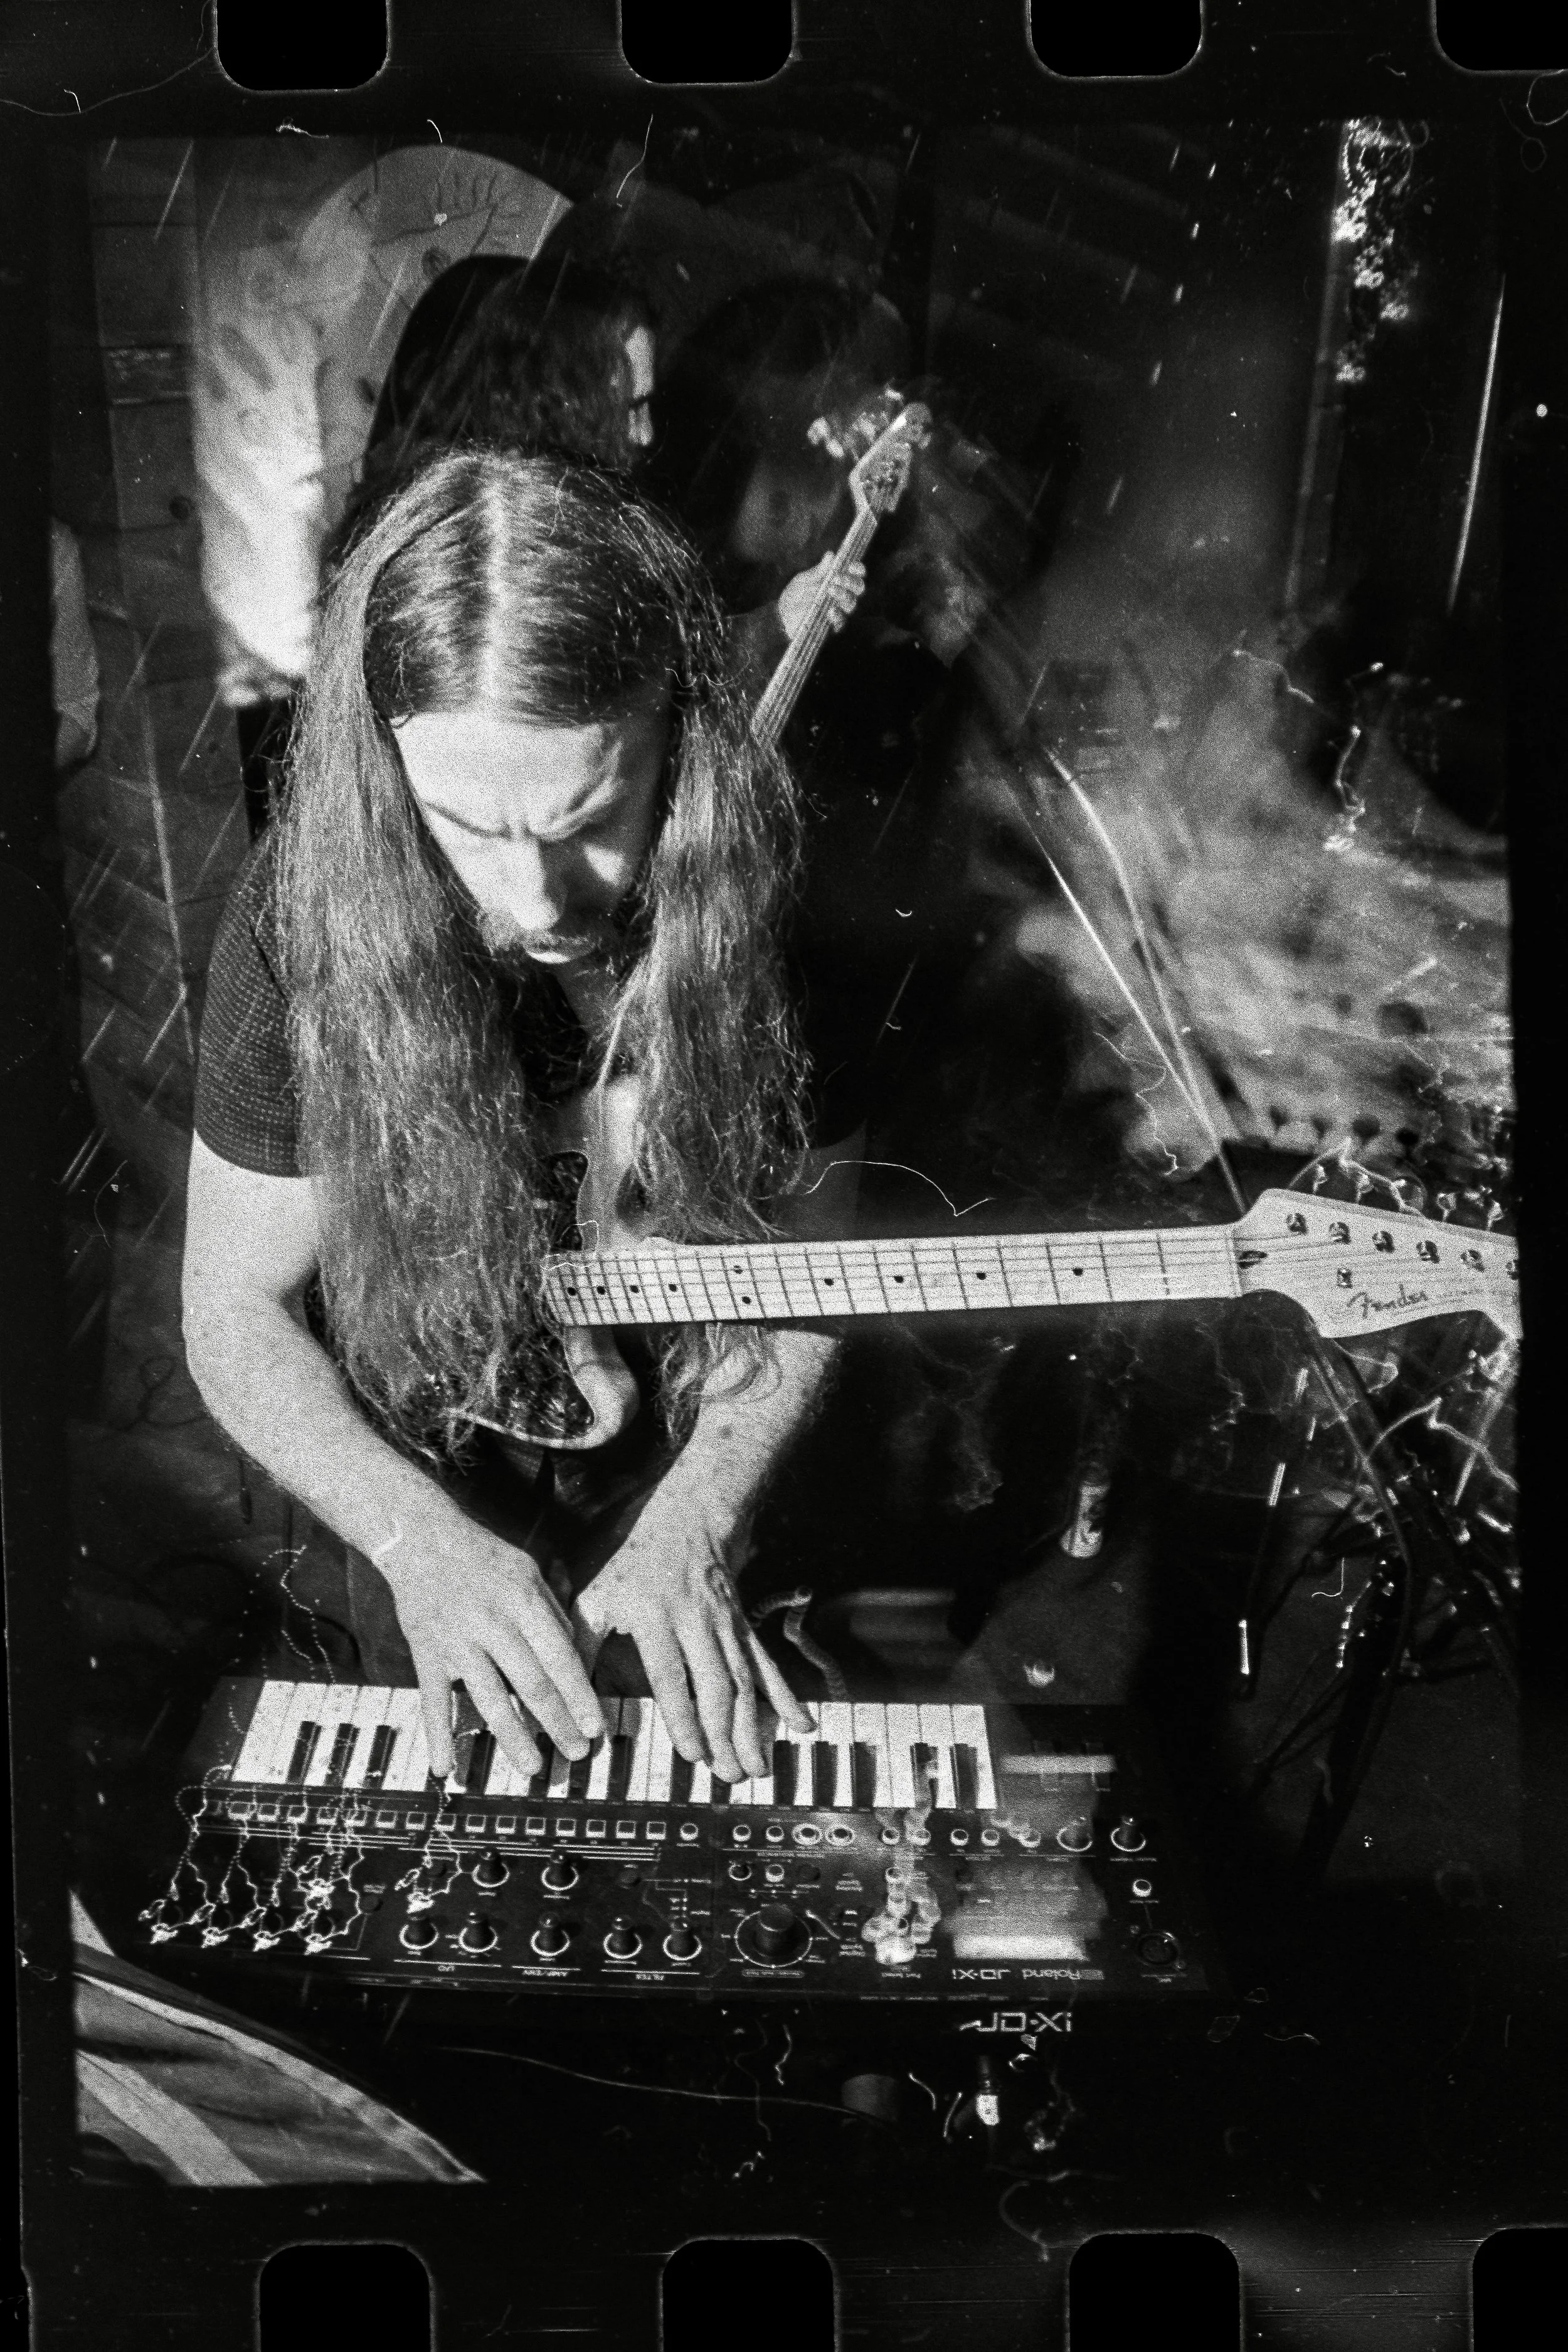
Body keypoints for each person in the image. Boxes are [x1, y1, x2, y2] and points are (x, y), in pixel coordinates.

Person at [182, 449, 866, 1791]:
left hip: (697, 1434)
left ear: (681, 734)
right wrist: (417, 1542)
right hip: (424, 1461)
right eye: (464, 826)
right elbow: (232, 1310)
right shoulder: (300, 915)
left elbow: (817, 1271)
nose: (536, 897)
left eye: (586, 818)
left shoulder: (783, 890)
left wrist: (701, 1518)